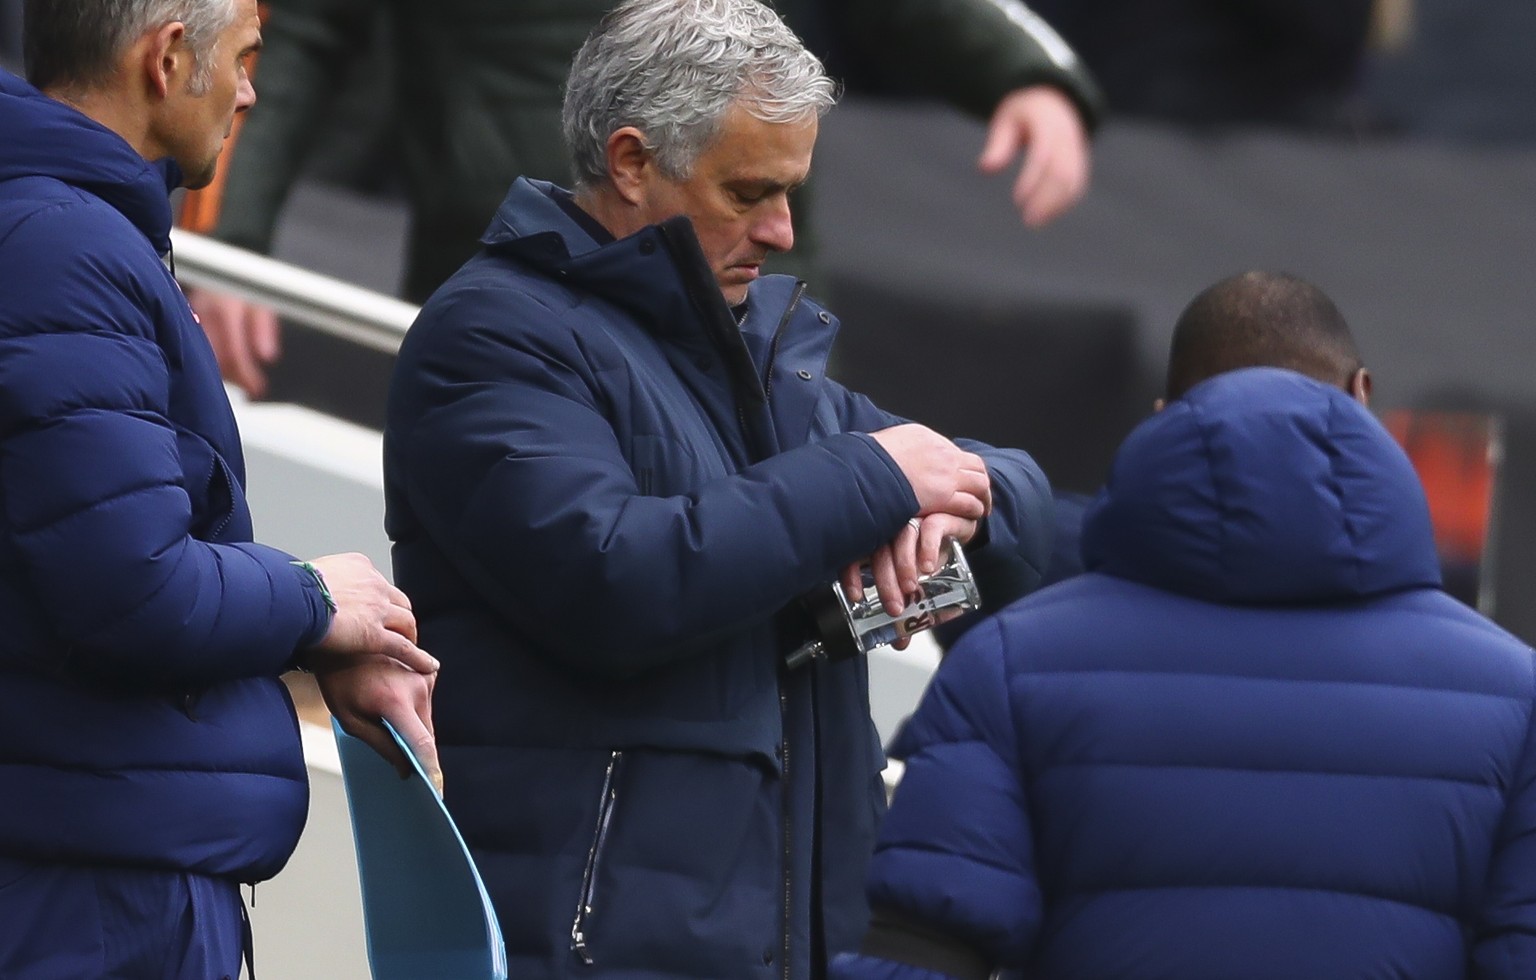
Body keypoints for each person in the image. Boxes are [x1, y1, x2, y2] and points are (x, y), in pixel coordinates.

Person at [382, 2, 1055, 977]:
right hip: (590, 947)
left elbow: (1017, 517)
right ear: (628, 160)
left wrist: (970, 492)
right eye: (750, 192)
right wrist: (874, 475)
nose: (782, 231)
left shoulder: (753, 348)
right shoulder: (490, 335)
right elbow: (617, 578)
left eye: (792, 196)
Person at [829, 272, 1536, 979]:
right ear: (1360, 396)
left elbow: (923, 950)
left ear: (1166, 414)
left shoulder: (1008, 665)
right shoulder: (1517, 696)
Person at [0, 1, 439, 975]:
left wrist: (306, 646)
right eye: (245, 60)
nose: (251, 92)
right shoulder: (62, 247)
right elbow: (131, 591)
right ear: (166, 59)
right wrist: (318, 599)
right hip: (90, 897)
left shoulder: (71, 228)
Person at [182, 0, 1104, 398]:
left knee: (783, 555)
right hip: (513, 272)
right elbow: (288, 37)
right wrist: (232, 245)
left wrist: (1028, 73)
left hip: (748, 286)